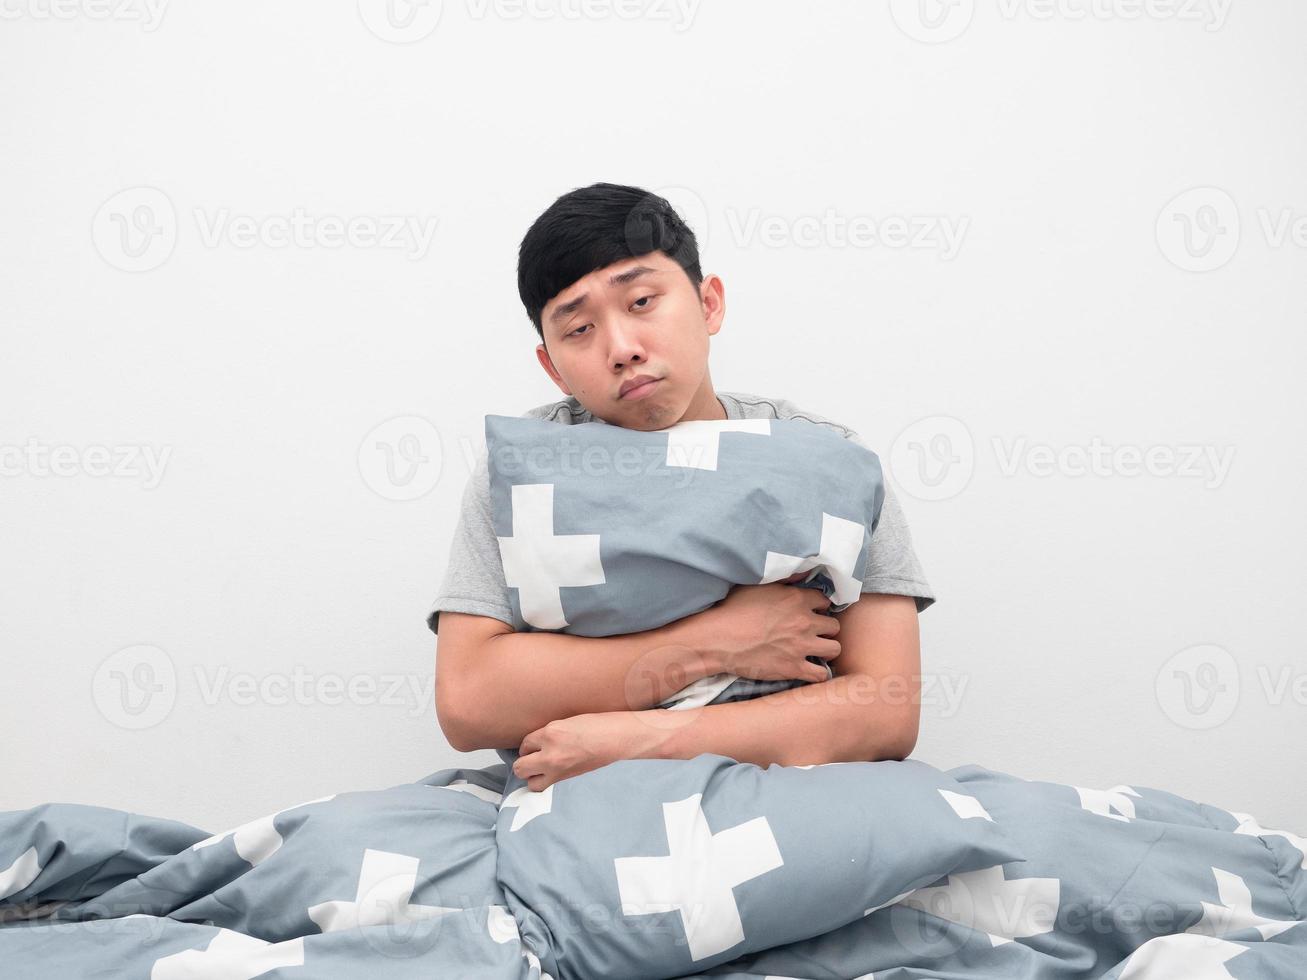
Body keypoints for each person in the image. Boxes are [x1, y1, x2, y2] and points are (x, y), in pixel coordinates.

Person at [428, 182, 935, 792]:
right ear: (551, 364)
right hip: (580, 806)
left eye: (641, 300)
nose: (621, 349)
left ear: (709, 303)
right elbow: (468, 702)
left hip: (787, 795)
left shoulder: (829, 463)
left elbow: (886, 711)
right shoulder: (516, 474)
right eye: (580, 329)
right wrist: (716, 643)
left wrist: (636, 742)